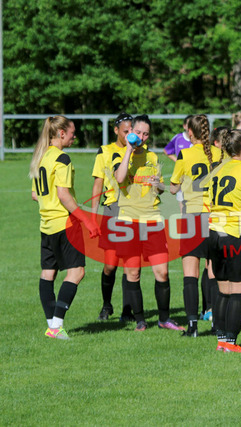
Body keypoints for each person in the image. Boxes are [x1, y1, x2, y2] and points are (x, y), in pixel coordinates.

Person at [29, 116, 100, 339]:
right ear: (61, 134)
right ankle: (56, 326)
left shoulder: (41, 157)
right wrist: (87, 220)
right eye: (72, 133)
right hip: (65, 224)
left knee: (48, 273)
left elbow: (35, 194)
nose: (74, 136)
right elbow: (63, 195)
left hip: (46, 224)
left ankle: (52, 326)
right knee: (77, 272)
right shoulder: (62, 158)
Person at [110, 115, 181, 332]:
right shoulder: (119, 155)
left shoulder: (152, 156)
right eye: (138, 132)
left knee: (162, 272)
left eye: (146, 134)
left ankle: (164, 319)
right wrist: (129, 150)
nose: (142, 137)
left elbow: (160, 188)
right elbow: (120, 178)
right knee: (133, 273)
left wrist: (158, 184)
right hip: (128, 221)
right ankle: (140, 320)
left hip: (153, 221)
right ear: (131, 132)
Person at [207, 129, 241, 353]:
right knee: (238, 291)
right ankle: (230, 342)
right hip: (236, 234)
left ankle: (221, 340)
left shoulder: (217, 170)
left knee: (223, 290)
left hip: (214, 233)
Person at [170, 114, 222, 337]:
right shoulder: (219, 153)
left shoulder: (185, 154)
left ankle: (192, 326)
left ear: (189, 132)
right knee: (213, 272)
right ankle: (216, 322)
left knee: (190, 274)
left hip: (193, 216)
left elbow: (173, 187)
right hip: (215, 217)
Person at [91, 112, 133, 321]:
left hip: (133, 210)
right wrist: (93, 216)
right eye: (125, 131)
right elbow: (98, 183)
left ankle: (128, 310)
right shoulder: (105, 151)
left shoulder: (137, 151)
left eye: (131, 131)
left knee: (129, 266)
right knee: (110, 265)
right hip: (112, 210)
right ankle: (106, 305)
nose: (128, 135)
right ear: (116, 131)